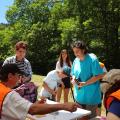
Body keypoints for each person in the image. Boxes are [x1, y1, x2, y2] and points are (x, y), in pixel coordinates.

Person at [0, 63, 80, 120]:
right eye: (18, 76)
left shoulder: (3, 90)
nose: (20, 79)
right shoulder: (9, 95)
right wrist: (64, 106)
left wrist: (34, 105)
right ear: (10, 76)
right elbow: (33, 110)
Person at [71, 40, 104, 119]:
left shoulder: (92, 59)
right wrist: (73, 79)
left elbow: (99, 75)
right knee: (79, 118)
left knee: (90, 118)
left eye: (77, 51)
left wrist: (85, 83)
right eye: (74, 52)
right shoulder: (76, 60)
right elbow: (72, 74)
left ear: (83, 50)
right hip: (78, 98)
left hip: (91, 98)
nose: (75, 54)